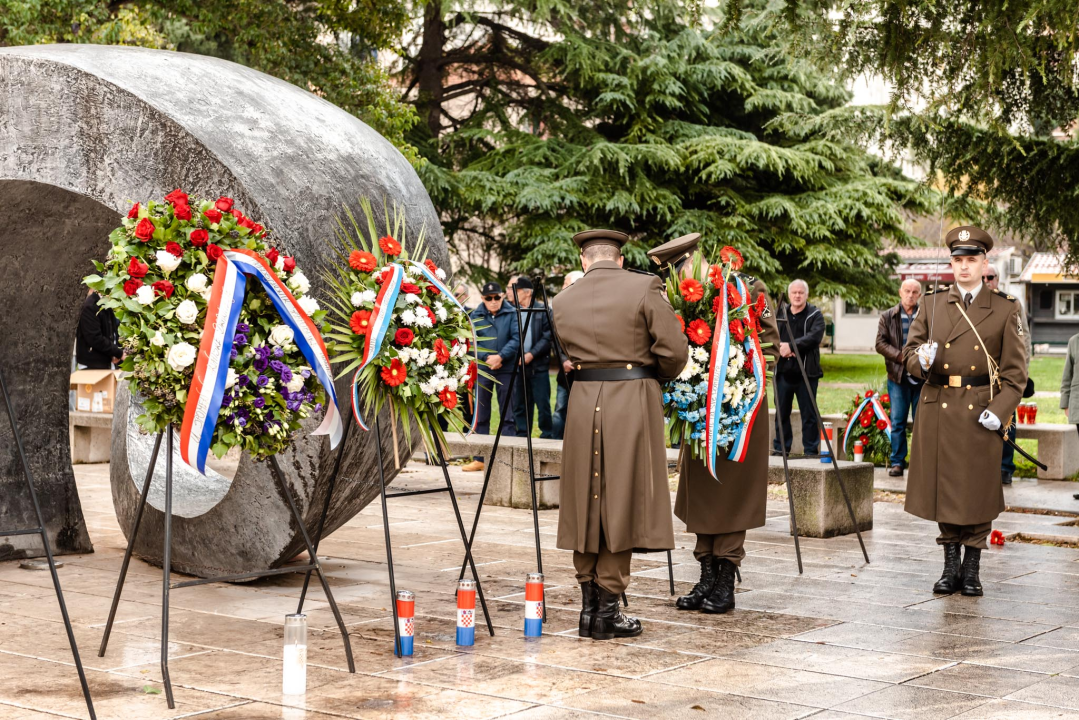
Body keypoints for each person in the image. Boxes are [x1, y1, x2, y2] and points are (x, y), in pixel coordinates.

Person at [551, 229, 688, 640]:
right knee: (622, 496)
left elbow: (570, 352)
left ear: (583, 260)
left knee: (585, 498)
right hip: (631, 397)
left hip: (583, 399)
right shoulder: (645, 286)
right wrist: (653, 375)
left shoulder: (563, 300)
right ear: (620, 258)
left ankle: (589, 609)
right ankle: (607, 608)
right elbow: (675, 352)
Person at [647, 235, 781, 615]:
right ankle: (706, 574)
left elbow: (768, 345)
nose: (676, 281)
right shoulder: (678, 301)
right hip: (697, 414)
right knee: (702, 492)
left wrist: (737, 386)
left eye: (678, 271)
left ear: (696, 262)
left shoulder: (746, 287)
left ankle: (726, 581)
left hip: (741, 413)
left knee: (732, 494)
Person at [903, 226, 1027, 597]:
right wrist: (920, 361)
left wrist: (1000, 409)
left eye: (971, 260)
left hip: (980, 412)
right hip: (939, 407)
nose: (964, 267)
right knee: (944, 489)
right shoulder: (932, 303)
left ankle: (971, 569)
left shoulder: (1005, 307)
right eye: (957, 260)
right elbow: (909, 356)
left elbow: (1016, 373)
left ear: (984, 263)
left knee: (975, 491)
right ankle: (949, 566)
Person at [461, 281, 520, 472]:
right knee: (481, 414)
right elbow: (470, 342)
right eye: (489, 298)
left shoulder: (512, 314)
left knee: (508, 416)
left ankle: (508, 460)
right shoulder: (475, 316)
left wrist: (501, 356)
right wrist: (486, 358)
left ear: (502, 296)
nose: (493, 301)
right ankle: (480, 458)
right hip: (484, 369)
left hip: (506, 367)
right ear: (483, 299)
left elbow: (517, 338)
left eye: (496, 297)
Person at [984, 268, 1032, 485]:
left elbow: (1023, 339)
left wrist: (1023, 372)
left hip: (1005, 376)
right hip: (980, 377)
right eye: (983, 277)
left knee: (1007, 422)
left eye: (990, 277)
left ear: (998, 279)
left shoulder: (1011, 304)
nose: (986, 281)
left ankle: (1005, 467)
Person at [875, 279, 925, 476]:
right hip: (897, 377)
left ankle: (921, 463)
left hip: (922, 378)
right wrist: (901, 357)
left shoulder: (926, 316)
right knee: (898, 421)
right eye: (907, 291)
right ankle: (898, 462)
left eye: (915, 292)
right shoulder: (888, 316)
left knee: (922, 422)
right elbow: (880, 343)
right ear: (900, 292)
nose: (910, 295)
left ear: (920, 295)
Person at [772, 279, 825, 456]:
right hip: (783, 374)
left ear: (806, 295)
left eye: (800, 292)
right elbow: (772, 335)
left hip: (806, 374)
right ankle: (781, 450)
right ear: (789, 294)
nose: (797, 295)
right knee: (781, 414)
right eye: (794, 292)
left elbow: (814, 337)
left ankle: (810, 451)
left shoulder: (815, 315)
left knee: (809, 416)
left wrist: (791, 347)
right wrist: (781, 348)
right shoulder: (781, 313)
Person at [509, 277, 555, 438]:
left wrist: (531, 354)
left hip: (539, 366)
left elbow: (548, 336)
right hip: (519, 366)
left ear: (527, 293)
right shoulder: (512, 310)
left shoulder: (544, 310)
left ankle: (547, 435)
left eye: (516, 290)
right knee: (520, 404)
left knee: (543, 404)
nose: (512, 293)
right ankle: (522, 434)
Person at [551, 271, 583, 439]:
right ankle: (555, 442)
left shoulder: (588, 308)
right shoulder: (559, 310)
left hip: (584, 374)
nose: (563, 287)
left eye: (565, 283)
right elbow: (555, 339)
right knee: (560, 409)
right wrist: (563, 359)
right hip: (565, 373)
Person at [76, 289, 123, 369]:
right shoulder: (90, 306)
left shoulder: (105, 303)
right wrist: (118, 353)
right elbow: (95, 338)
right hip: (92, 363)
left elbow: (112, 331)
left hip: (105, 361)